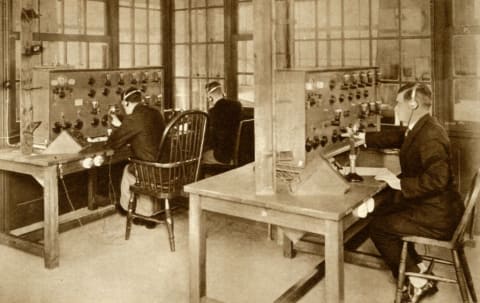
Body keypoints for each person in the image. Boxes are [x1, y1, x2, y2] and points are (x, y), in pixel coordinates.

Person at [365, 83, 465, 303]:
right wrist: (363, 139)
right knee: (385, 212)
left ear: (413, 104)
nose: (395, 107)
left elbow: (438, 179)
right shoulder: (423, 125)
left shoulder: (431, 136)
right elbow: (400, 136)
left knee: (379, 228)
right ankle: (418, 267)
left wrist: (397, 183)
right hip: (438, 207)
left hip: (438, 215)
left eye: (398, 103)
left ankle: (418, 282)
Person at [105, 87, 166, 227]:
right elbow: (143, 132)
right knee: (138, 168)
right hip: (166, 168)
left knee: (128, 170)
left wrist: (118, 128)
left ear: (126, 103)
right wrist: (123, 125)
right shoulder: (155, 113)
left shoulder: (133, 118)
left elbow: (113, 143)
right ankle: (150, 211)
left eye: (123, 106)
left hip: (151, 170)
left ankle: (129, 209)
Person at [202, 81, 243, 164]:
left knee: (200, 157)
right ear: (223, 94)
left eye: (208, 98)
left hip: (222, 156)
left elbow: (211, 138)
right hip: (238, 153)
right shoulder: (238, 105)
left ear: (210, 98)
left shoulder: (214, 111)